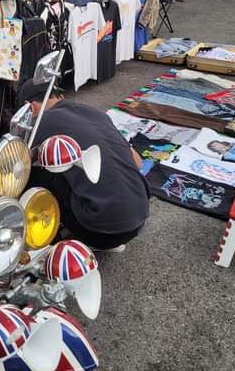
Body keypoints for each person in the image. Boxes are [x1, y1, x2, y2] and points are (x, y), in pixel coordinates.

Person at [19, 80, 149, 252]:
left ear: (30, 107)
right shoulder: (96, 113)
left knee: (34, 173)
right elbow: (138, 161)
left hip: (98, 231)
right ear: (60, 96)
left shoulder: (40, 123)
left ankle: (48, 236)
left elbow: (15, 164)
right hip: (139, 219)